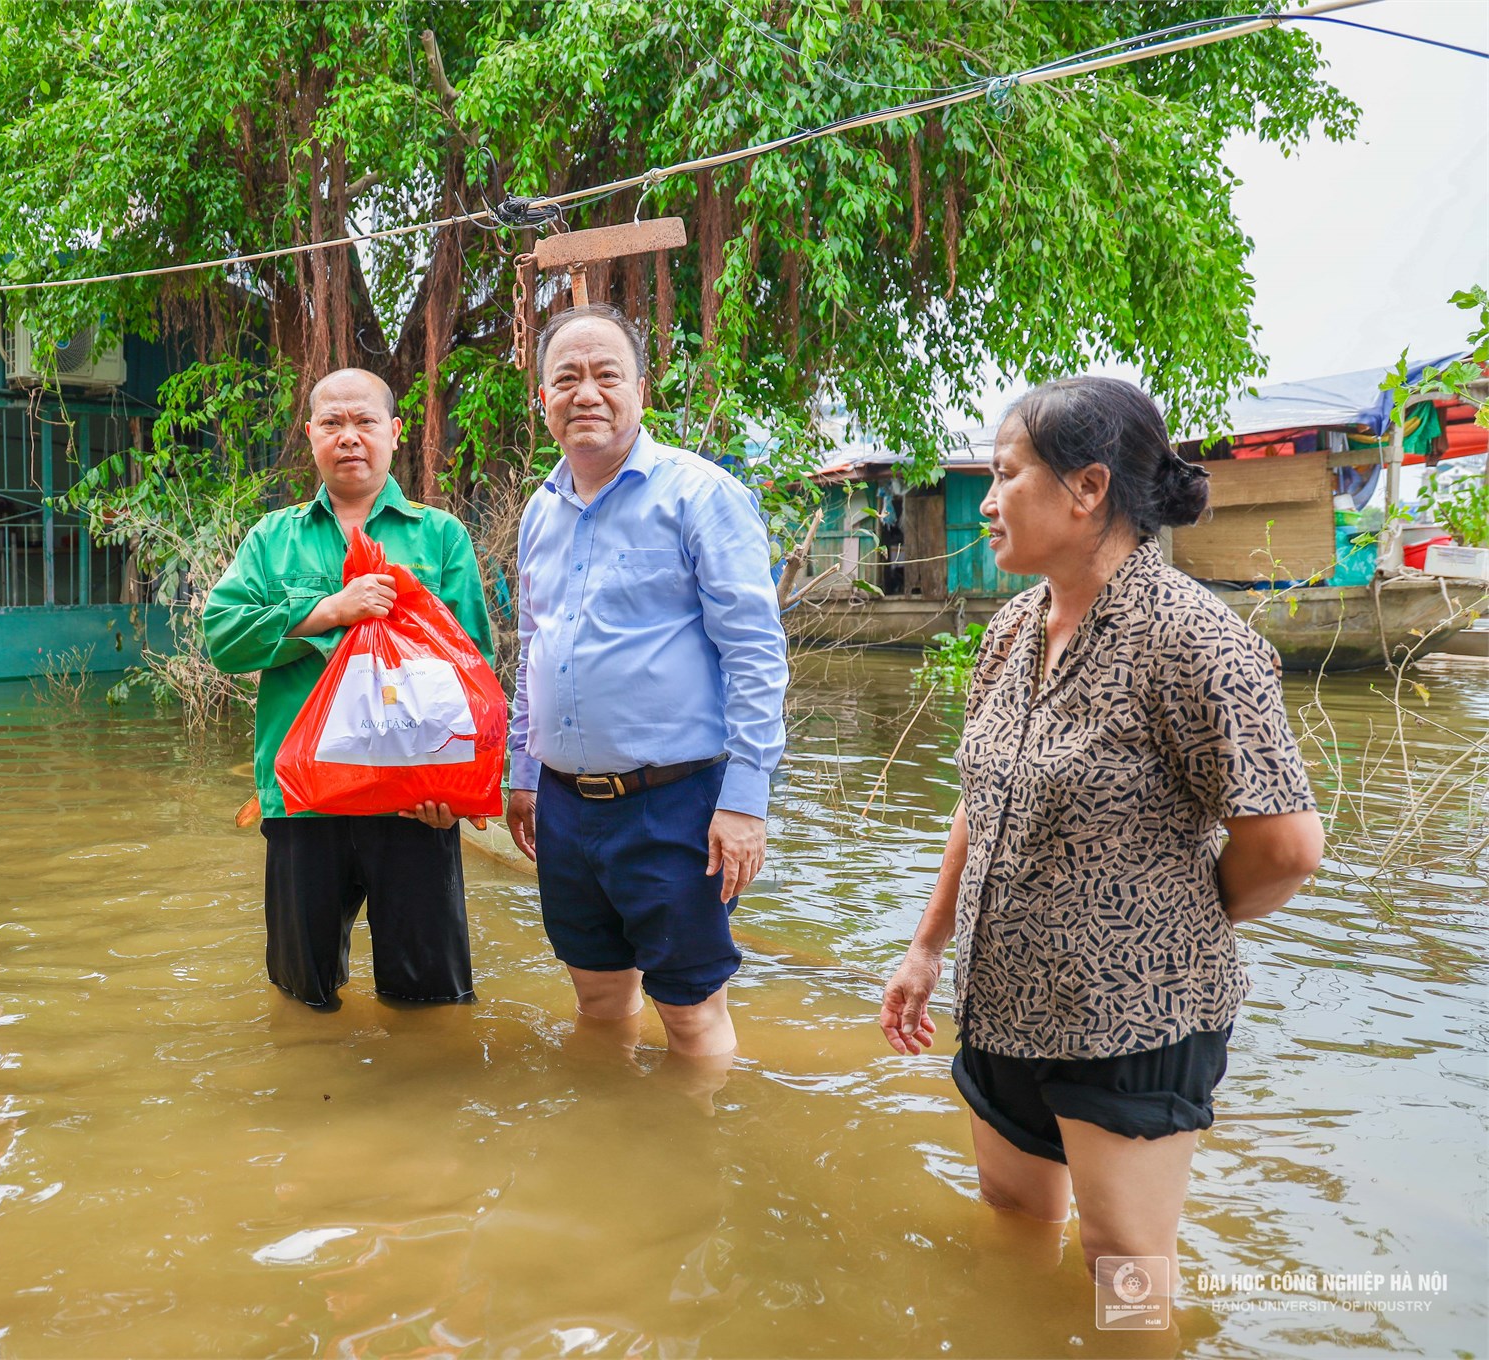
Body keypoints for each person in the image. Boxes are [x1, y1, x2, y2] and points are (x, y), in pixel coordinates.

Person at [877, 376, 1323, 1289]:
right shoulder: (1012, 630)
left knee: (1125, 1266)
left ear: (1087, 489)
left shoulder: (1194, 639)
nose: (989, 503)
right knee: (1012, 1225)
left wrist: (1180, 918)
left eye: (1006, 477)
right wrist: (927, 948)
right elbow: (980, 795)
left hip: (1133, 1017)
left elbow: (1286, 846)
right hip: (1003, 1001)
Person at [504, 304, 789, 1062]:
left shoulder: (700, 495)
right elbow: (536, 645)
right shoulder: (542, 511)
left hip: (677, 802)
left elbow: (756, 654)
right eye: (566, 378)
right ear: (544, 400)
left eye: (606, 375)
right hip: (566, 807)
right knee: (597, 1002)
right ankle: (612, 1154)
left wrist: (745, 803)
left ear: (640, 388)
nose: (585, 393)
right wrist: (523, 771)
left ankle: (695, 1166)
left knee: (691, 1015)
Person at [203, 368, 497, 1010]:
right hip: (304, 802)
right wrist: (329, 612)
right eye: (332, 423)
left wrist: (459, 792)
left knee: (430, 999)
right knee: (300, 995)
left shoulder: (439, 535)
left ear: (394, 433)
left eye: (364, 421)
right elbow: (221, 638)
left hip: (415, 803)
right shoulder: (271, 539)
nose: (349, 437)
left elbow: (476, 668)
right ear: (309, 435)